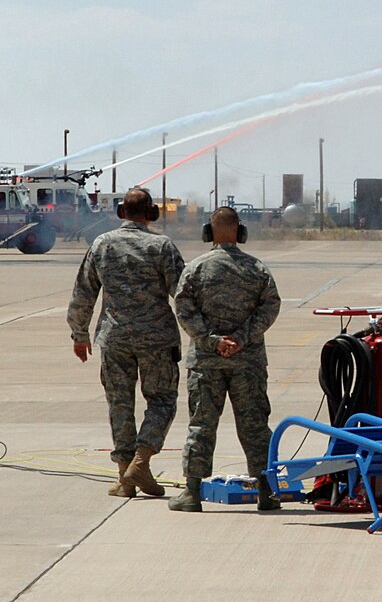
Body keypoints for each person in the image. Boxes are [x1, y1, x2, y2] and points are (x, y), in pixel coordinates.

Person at [68, 187, 185, 498]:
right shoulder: (162, 246)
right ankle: (140, 462)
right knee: (162, 400)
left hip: (114, 337)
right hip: (157, 339)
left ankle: (124, 477)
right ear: (151, 214)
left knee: (120, 405)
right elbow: (183, 295)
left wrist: (79, 334)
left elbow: (84, 292)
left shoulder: (102, 244)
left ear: (121, 212)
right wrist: (204, 333)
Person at [169, 206, 282, 512]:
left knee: (201, 426)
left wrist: (212, 341)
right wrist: (241, 339)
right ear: (240, 232)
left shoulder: (196, 268)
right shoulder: (257, 269)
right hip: (248, 363)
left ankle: (192, 493)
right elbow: (270, 308)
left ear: (209, 231)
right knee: (256, 426)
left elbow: (184, 309)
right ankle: (266, 493)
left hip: (206, 363)